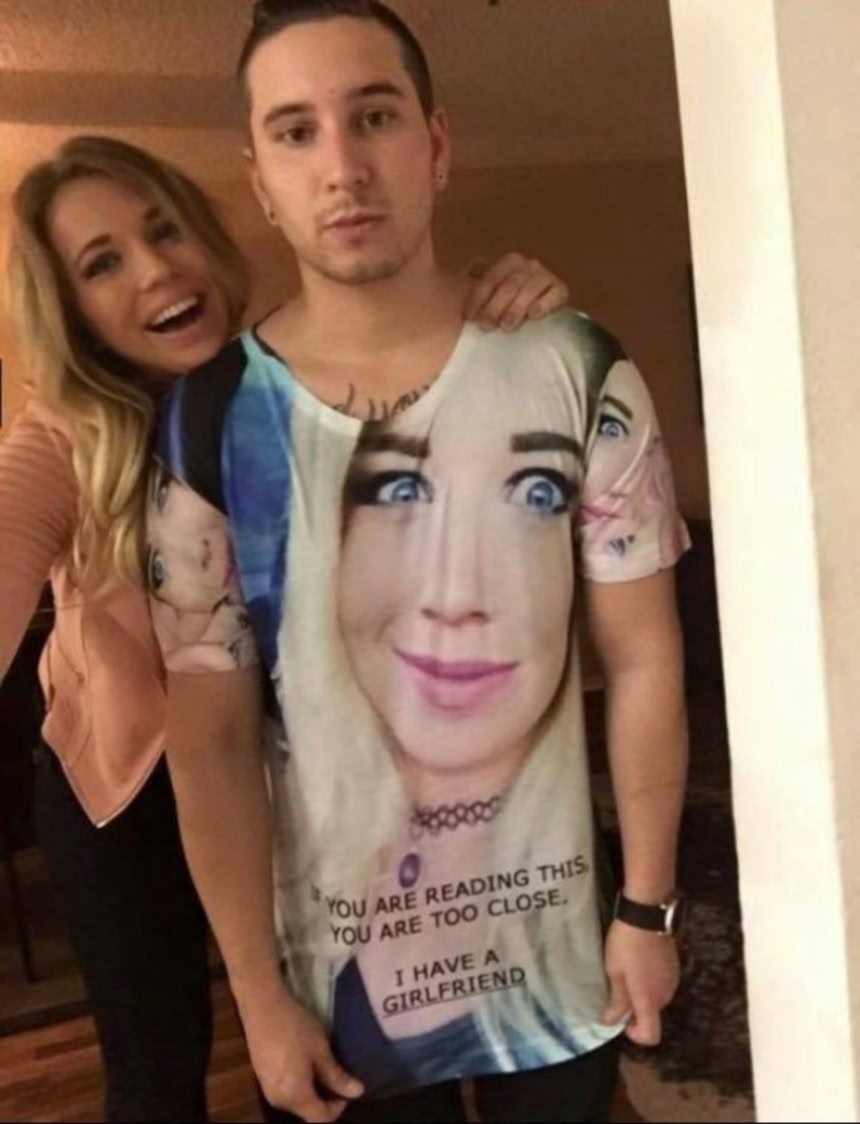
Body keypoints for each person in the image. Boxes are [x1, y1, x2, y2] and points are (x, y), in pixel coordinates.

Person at [146, 2, 690, 1122]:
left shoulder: (574, 367)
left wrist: (647, 907)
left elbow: (643, 657)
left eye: (374, 116)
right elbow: (209, 738)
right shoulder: (212, 420)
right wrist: (256, 992)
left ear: (434, 144)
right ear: (260, 180)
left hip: (558, 962)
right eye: (296, 131)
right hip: (332, 985)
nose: (342, 166)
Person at [0, 129, 569, 1123]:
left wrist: (509, 309)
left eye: (163, 231)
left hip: (295, 778)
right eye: (102, 263)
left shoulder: (293, 380)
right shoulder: (60, 439)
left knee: (318, 1045)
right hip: (124, 792)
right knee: (158, 1073)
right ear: (71, 310)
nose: (155, 270)